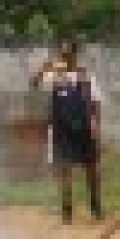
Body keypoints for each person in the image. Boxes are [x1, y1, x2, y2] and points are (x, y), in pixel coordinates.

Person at [33, 42, 103, 223]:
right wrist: (43, 68)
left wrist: (96, 126)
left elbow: (95, 102)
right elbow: (34, 84)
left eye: (68, 54)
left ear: (75, 54)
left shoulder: (85, 75)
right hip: (62, 129)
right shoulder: (54, 77)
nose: (65, 57)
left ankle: (96, 206)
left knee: (92, 169)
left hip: (84, 128)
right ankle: (67, 211)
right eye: (62, 54)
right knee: (64, 170)